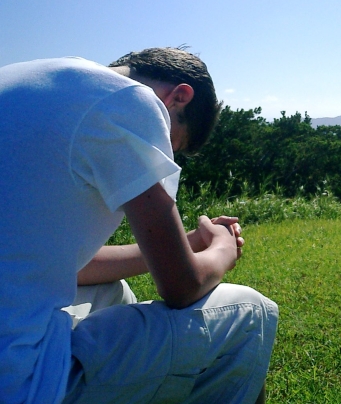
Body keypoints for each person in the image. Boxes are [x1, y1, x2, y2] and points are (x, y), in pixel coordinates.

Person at [0, 48, 278, 404]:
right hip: (17, 382)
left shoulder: (28, 79)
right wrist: (223, 245)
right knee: (251, 312)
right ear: (179, 97)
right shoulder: (130, 101)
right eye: (173, 144)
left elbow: (68, 267)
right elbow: (182, 287)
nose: (164, 156)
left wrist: (188, 244)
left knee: (114, 293)